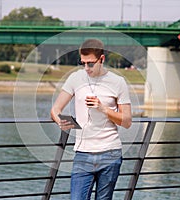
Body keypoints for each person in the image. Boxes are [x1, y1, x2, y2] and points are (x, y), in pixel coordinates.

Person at [51, 38, 132, 200]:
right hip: (83, 154)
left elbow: (127, 121)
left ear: (102, 59)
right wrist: (60, 120)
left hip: (110, 153)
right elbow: (55, 109)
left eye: (90, 63)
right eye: (83, 63)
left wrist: (102, 108)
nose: (86, 68)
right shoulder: (75, 78)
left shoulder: (118, 82)